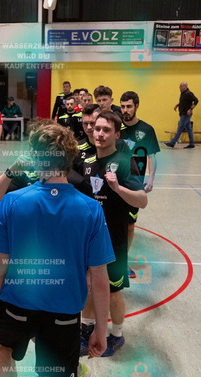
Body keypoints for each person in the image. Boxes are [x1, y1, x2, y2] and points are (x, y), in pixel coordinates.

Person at [0, 120, 114, 377]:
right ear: (70, 158)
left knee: (4, 351)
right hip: (63, 316)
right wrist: (100, 329)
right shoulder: (91, 210)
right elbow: (100, 279)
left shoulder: (12, 202)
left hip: (16, 306)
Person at [75, 111, 147, 358]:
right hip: (86, 239)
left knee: (113, 292)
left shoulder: (129, 161)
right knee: (87, 286)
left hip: (113, 240)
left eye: (106, 130)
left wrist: (118, 188)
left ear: (117, 134)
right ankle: (86, 330)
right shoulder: (83, 159)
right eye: (97, 128)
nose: (100, 134)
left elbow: (143, 200)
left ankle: (116, 335)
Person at [119, 91, 160, 277]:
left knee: (129, 225)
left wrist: (150, 178)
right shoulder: (115, 126)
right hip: (114, 178)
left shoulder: (147, 129)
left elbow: (151, 156)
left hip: (135, 179)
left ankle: (123, 261)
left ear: (136, 106)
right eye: (122, 106)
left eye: (129, 106)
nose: (125, 110)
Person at [164, 82, 198, 149]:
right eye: (180, 86)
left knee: (180, 128)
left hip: (186, 114)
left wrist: (191, 109)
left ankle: (172, 143)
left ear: (185, 87)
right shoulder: (183, 93)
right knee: (189, 129)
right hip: (183, 113)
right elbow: (184, 102)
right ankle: (192, 144)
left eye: (181, 86)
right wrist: (177, 105)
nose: (180, 88)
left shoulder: (189, 93)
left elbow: (196, 101)